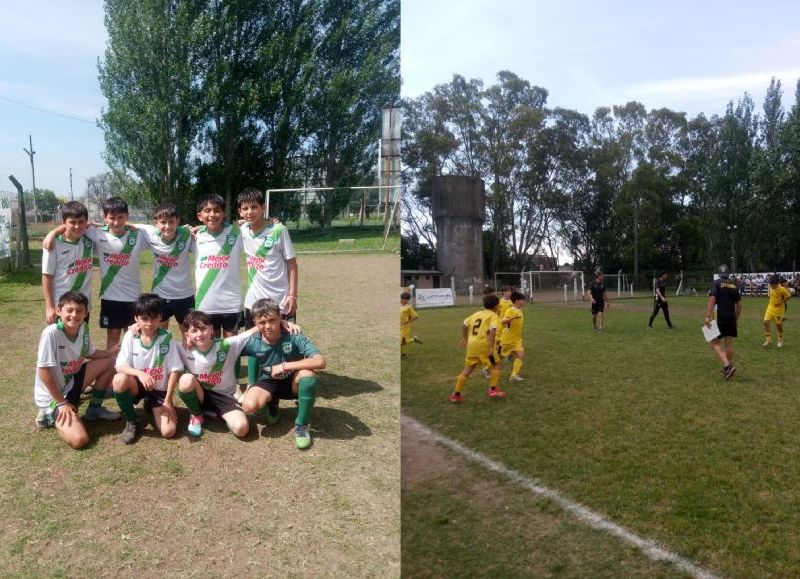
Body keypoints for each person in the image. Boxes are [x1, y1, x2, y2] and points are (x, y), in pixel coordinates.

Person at [43, 197, 151, 348]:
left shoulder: (89, 239)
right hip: (96, 299)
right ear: (104, 217)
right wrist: (53, 232)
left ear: (127, 216)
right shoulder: (93, 235)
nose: (116, 222)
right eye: (112, 218)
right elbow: (47, 276)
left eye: (121, 217)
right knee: (63, 344)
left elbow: (157, 231)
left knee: (134, 335)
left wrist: (130, 224)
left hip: (120, 298)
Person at [33, 291, 121, 449]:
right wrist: (61, 402)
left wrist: (111, 352)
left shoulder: (83, 328)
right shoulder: (51, 333)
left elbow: (89, 353)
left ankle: (94, 409)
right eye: (69, 310)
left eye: (79, 311)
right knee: (79, 439)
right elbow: (43, 372)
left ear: (86, 313)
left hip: (72, 383)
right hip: (53, 398)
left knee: (111, 361)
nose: (74, 315)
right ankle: (48, 415)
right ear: (59, 311)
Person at [240, 298, 326, 449]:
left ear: (280, 317)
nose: (268, 326)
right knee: (248, 406)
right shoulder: (252, 340)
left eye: (272, 320)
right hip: (268, 381)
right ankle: (272, 404)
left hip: (293, 381)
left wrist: (284, 366)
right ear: (255, 322)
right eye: (262, 322)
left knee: (308, 375)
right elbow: (226, 349)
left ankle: (301, 425)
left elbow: (320, 361)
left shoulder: (293, 334)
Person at [237, 187, 299, 388]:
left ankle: (289, 384)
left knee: (286, 342)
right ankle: (252, 383)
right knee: (254, 342)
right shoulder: (242, 231)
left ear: (263, 207)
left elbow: (292, 264)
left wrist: (293, 295)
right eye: (245, 208)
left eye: (254, 207)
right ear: (240, 211)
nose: (250, 212)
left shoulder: (279, 230)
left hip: (280, 300)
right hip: (253, 302)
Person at [112, 293, 184, 444]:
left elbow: (174, 370)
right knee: (119, 380)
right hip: (137, 385)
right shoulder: (131, 336)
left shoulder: (167, 337)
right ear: (136, 318)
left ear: (160, 317)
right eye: (144, 319)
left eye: (154, 318)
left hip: (158, 389)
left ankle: (151, 403)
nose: (149, 323)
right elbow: (120, 366)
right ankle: (132, 421)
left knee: (168, 432)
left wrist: (168, 400)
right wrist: (140, 374)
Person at [177, 310, 259, 438]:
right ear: (187, 334)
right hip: (201, 394)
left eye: (203, 329)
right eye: (194, 331)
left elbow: (249, 332)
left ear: (211, 329)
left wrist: (281, 322)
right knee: (186, 380)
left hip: (224, 397)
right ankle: (197, 415)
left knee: (241, 429)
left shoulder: (226, 345)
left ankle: (219, 413)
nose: (199, 334)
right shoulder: (183, 348)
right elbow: (159, 342)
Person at [131, 203, 195, 341]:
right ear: (156, 223)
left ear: (177, 221)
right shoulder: (149, 232)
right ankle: (160, 356)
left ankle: (187, 356)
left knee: (189, 336)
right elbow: (127, 224)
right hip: (160, 295)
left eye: (171, 221)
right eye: (163, 222)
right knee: (158, 335)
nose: (167, 226)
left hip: (184, 295)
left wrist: (199, 228)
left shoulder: (186, 234)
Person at [194, 194, 244, 338]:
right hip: (205, 304)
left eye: (216, 210)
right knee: (211, 345)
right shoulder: (195, 236)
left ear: (224, 214)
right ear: (200, 216)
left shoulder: (236, 232)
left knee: (231, 346)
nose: (212, 214)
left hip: (231, 303)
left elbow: (256, 225)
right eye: (207, 211)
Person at [41, 201, 95, 324]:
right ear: (64, 222)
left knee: (81, 336)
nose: (77, 226)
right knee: (60, 337)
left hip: (83, 306)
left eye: (81, 222)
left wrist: (53, 231)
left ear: (86, 222)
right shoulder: (53, 244)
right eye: (72, 222)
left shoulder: (89, 238)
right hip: (62, 306)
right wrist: (49, 307)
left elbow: (113, 225)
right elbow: (47, 277)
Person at [448, 294, 504, 403]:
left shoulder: (477, 313)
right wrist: (491, 347)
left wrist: (464, 337)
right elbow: (492, 331)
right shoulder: (493, 315)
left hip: (472, 345)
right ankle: (493, 390)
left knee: (468, 368)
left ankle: (456, 394)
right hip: (484, 344)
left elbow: (464, 324)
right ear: (496, 306)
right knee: (496, 364)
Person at [704, 265, 741, 380]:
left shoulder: (716, 283)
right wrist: (736, 319)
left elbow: (712, 299)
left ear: (719, 273)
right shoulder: (734, 285)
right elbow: (739, 305)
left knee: (714, 342)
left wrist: (707, 316)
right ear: (728, 273)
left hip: (719, 317)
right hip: (731, 317)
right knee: (728, 343)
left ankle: (727, 365)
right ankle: (727, 369)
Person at [500, 291, 527, 382]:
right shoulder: (510, 310)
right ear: (517, 301)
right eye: (522, 300)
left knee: (521, 355)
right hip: (507, 339)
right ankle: (487, 367)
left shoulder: (519, 310)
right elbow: (503, 321)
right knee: (499, 357)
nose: (524, 302)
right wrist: (511, 318)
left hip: (517, 340)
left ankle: (514, 376)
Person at [762, 273, 792, 348]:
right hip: (770, 307)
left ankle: (780, 340)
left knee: (778, 325)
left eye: (772, 284)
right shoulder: (771, 287)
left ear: (777, 283)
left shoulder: (782, 289)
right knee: (765, 322)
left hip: (779, 309)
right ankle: (768, 340)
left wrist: (781, 301)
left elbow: (789, 296)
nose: (771, 286)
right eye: (770, 284)